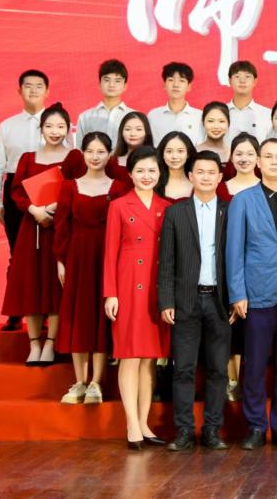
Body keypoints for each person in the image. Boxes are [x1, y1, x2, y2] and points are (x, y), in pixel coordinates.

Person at [227, 139, 277, 449]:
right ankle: (256, 426)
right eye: (268, 157)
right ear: (258, 162)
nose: (274, 162)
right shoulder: (242, 200)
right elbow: (234, 250)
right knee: (255, 363)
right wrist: (237, 292)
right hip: (256, 292)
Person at [158, 151, 232, 452]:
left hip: (220, 301)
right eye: (199, 172)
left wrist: (237, 298)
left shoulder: (230, 211)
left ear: (220, 177)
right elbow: (166, 261)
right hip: (185, 301)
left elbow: (238, 259)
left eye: (211, 172)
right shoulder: (176, 213)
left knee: (218, 370)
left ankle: (213, 430)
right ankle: (185, 431)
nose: (205, 177)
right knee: (183, 369)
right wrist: (166, 301)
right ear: (190, 176)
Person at [2, 103, 83, 366]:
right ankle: (34, 343)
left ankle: (50, 344)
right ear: (41, 128)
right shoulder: (27, 157)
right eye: (49, 126)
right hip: (32, 229)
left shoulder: (74, 158)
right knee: (32, 287)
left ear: (68, 129)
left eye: (60, 126)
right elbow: (16, 192)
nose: (55, 131)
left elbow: (80, 188)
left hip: (61, 230)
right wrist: (34, 209)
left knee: (55, 288)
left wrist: (58, 206)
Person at [103, 145, 171, 450]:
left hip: (157, 286)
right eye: (140, 170)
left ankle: (144, 423)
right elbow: (110, 253)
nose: (146, 176)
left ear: (160, 173)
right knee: (130, 357)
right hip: (128, 284)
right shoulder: (119, 206)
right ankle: (131, 423)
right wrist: (110, 293)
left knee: (149, 360)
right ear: (129, 174)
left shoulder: (167, 207)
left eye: (152, 170)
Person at [54, 132, 125, 404]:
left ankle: (97, 382)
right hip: (77, 258)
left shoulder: (118, 187)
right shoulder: (69, 186)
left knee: (100, 317)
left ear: (109, 155)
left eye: (101, 152)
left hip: (106, 257)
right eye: (90, 151)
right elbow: (62, 226)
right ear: (82, 154)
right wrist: (61, 261)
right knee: (79, 316)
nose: (95, 157)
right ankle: (79, 382)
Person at [0, 69, 49, 332]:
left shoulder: (56, 122)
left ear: (47, 91)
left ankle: (45, 311)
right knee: (18, 254)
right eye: (28, 86)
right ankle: (15, 311)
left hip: (48, 187)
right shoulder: (8, 125)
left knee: (46, 254)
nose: (33, 90)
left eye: (39, 86)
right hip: (15, 189)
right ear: (19, 91)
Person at [217, 133, 261, 400]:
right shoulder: (221, 187)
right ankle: (230, 380)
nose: (244, 159)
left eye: (250, 154)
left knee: (253, 327)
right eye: (239, 154)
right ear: (231, 157)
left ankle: (248, 381)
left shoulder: (265, 187)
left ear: (258, 158)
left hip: (257, 268)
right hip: (224, 265)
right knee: (228, 324)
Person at [75, 59, 132, 147]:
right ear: (99, 84)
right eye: (107, 80)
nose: (111, 85)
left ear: (125, 86)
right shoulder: (85, 118)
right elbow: (80, 150)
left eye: (117, 81)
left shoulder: (134, 117)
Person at [147, 62, 202, 144]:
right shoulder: (153, 115)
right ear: (164, 85)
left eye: (182, 81)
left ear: (189, 87)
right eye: (171, 80)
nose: (176, 85)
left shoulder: (199, 116)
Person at [226, 60, 272, 143]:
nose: (242, 81)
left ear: (255, 81)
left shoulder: (267, 114)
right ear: (230, 81)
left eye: (247, 76)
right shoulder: (220, 113)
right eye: (237, 76)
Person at [108, 111, 153, 188]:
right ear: (121, 132)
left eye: (138, 129)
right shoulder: (111, 161)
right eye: (128, 129)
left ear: (146, 132)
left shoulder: (156, 159)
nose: (132, 134)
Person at [155, 131, 195, 203]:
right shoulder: (153, 183)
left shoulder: (198, 183)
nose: (174, 156)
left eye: (180, 151)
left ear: (188, 154)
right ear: (162, 154)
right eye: (169, 151)